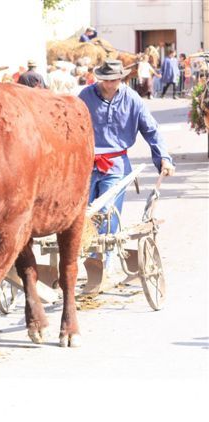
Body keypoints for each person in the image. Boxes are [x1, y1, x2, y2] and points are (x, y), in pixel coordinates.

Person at [78, 59, 175, 269]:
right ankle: (86, 257)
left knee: (107, 211)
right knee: (82, 214)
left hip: (116, 165)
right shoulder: (85, 96)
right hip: (85, 164)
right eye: (105, 80)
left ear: (121, 78)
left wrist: (164, 158)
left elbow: (151, 129)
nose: (110, 84)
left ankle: (103, 262)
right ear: (99, 78)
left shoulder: (132, 99)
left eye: (114, 80)